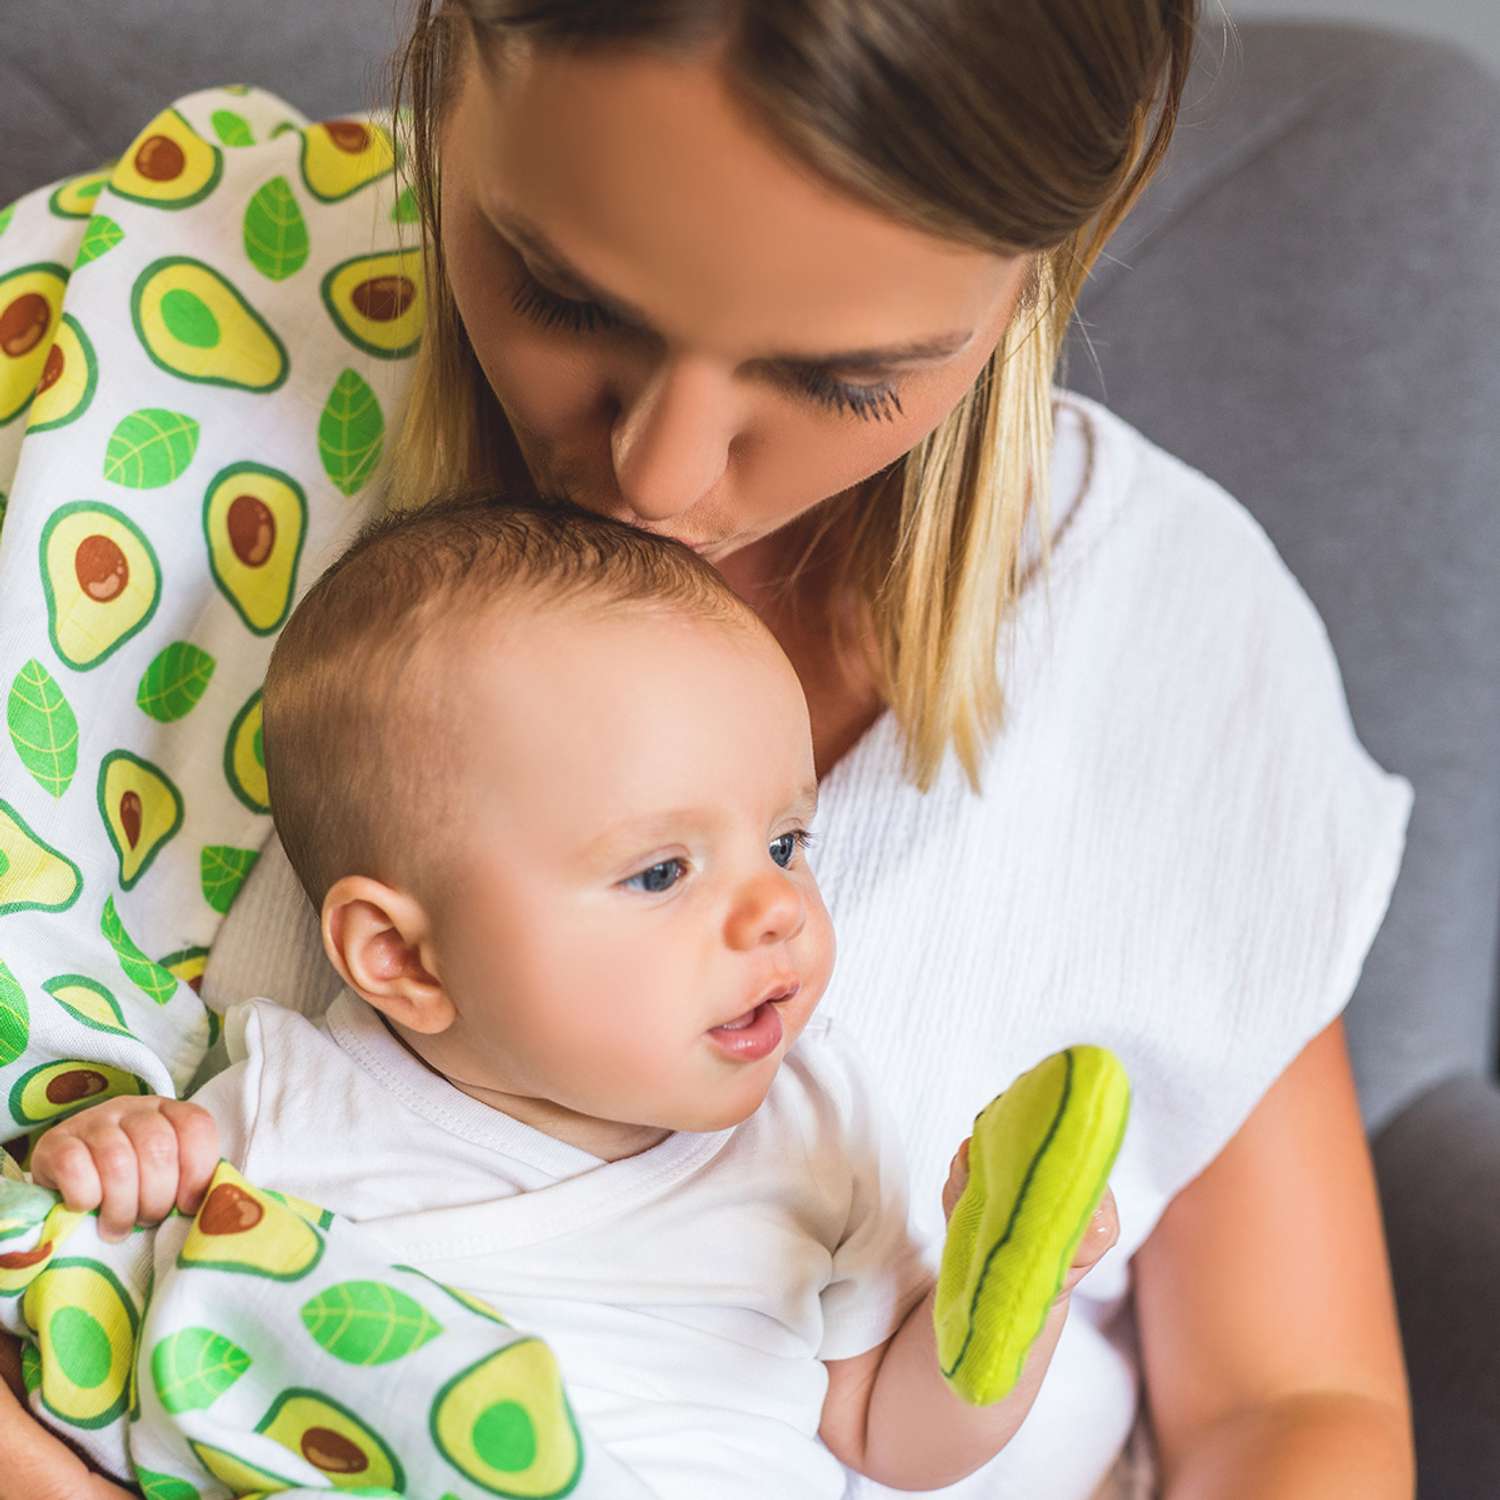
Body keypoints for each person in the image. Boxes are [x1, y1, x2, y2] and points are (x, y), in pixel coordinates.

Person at [0, 3, 1417, 1497]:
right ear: (443, 52)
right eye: (561, 289)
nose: (658, 475)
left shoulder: (1174, 641)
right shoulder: (123, 362)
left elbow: (1291, 1404)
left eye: (845, 376)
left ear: (1055, 250)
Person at [13, 493, 1121, 1498]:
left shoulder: (817, 1124)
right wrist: (115, 1145)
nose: (775, 908)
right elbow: (118, 1248)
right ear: (403, 958)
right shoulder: (302, 1099)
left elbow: (889, 1434)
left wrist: (1014, 1289)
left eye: (785, 841)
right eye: (660, 872)